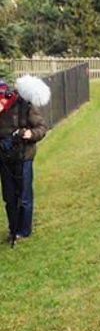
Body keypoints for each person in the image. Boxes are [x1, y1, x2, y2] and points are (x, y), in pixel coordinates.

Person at [0, 76, 49, 243]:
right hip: (4, 158)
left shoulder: (24, 106)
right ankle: (13, 229)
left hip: (24, 156)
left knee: (24, 195)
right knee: (9, 197)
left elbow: (42, 127)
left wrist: (30, 134)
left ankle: (24, 230)